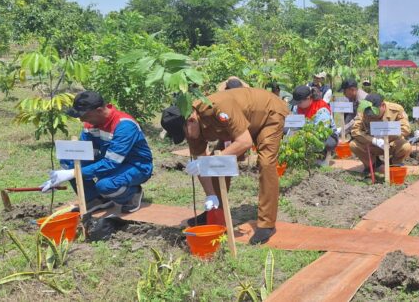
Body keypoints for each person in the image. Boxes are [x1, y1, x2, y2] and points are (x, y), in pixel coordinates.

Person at [160, 87, 288, 244]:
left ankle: (267, 224)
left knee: (266, 162)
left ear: (191, 120)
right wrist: (210, 195)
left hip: (268, 113)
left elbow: (245, 142)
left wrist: (208, 163)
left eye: (185, 134)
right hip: (240, 126)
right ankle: (215, 212)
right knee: (217, 161)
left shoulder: (217, 108)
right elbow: (201, 159)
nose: (187, 138)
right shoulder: (191, 126)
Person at [40, 91, 153, 213]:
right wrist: (59, 178)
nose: (81, 119)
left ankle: (132, 195)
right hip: (109, 161)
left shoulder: (124, 126)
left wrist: (73, 173)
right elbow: (84, 154)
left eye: (84, 115)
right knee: (69, 161)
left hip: (135, 166)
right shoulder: (91, 124)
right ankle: (94, 199)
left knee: (105, 186)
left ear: (99, 110)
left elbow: (111, 163)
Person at [350, 93, 412, 174]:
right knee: (353, 145)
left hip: (391, 143)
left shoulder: (396, 109)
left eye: (374, 112)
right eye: (369, 113)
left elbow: (406, 129)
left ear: (382, 105)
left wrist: (388, 136)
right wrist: (374, 140)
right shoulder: (363, 111)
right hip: (372, 144)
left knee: (406, 147)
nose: (372, 116)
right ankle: (374, 165)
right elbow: (355, 130)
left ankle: (393, 164)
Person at [290, 85, 339, 165]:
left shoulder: (321, 109)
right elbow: (294, 125)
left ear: (308, 98)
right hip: (305, 133)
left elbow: (321, 133)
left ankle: (322, 155)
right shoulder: (297, 107)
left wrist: (302, 137)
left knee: (320, 141)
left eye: (299, 102)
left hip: (327, 136)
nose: (297, 105)